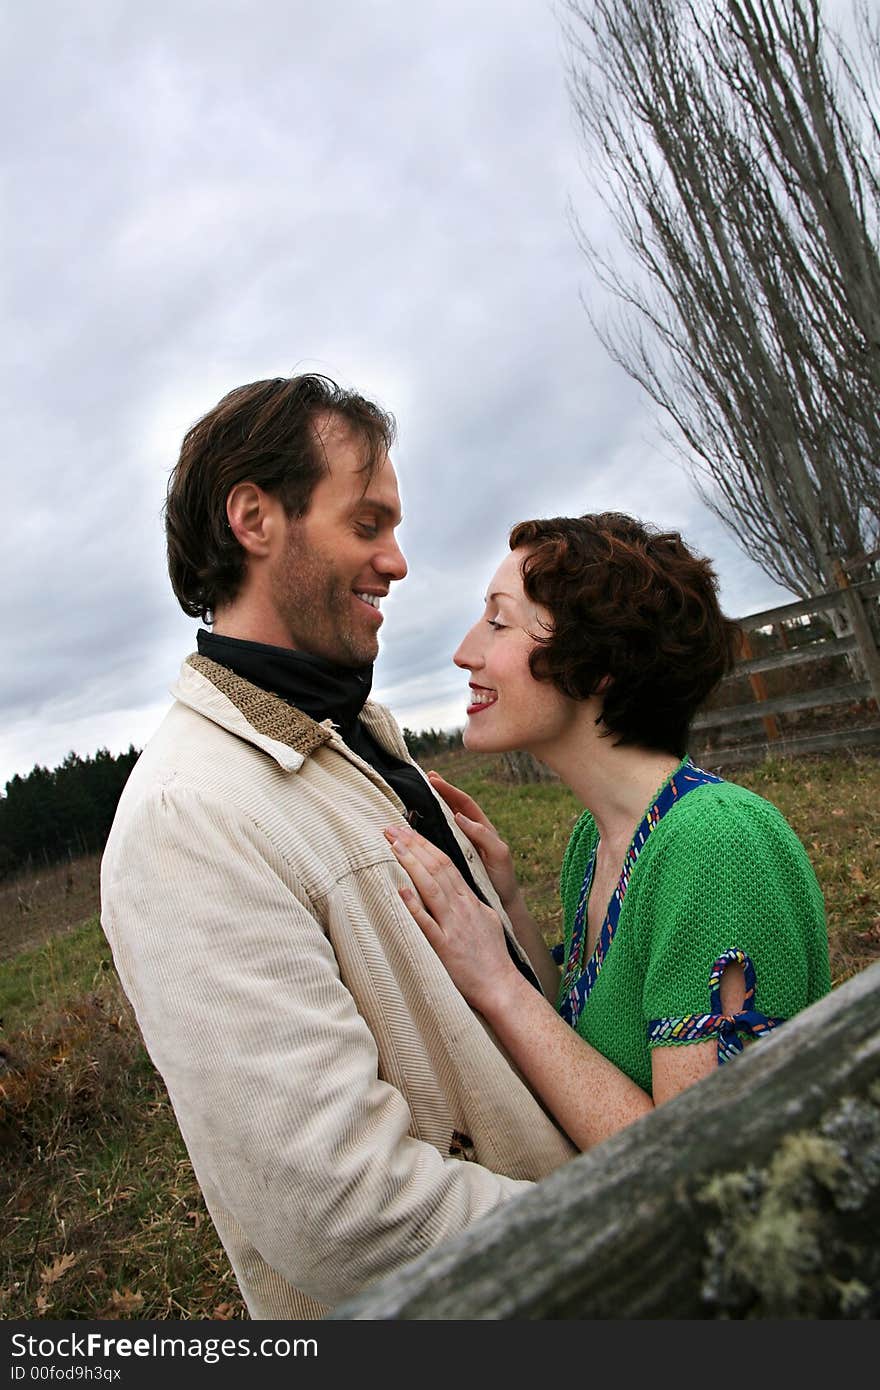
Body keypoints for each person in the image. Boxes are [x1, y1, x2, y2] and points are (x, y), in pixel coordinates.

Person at [99, 375, 575, 1322]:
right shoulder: (188, 818)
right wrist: (625, 1231)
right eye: (367, 524)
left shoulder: (363, 733)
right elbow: (351, 1219)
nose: (396, 561)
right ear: (254, 517)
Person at [386, 513, 831, 1151]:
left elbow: (692, 1166)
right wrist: (508, 899)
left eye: (498, 621)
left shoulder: (716, 848)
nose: (465, 652)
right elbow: (582, 1039)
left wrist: (499, 985)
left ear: (594, 667)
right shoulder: (593, 846)